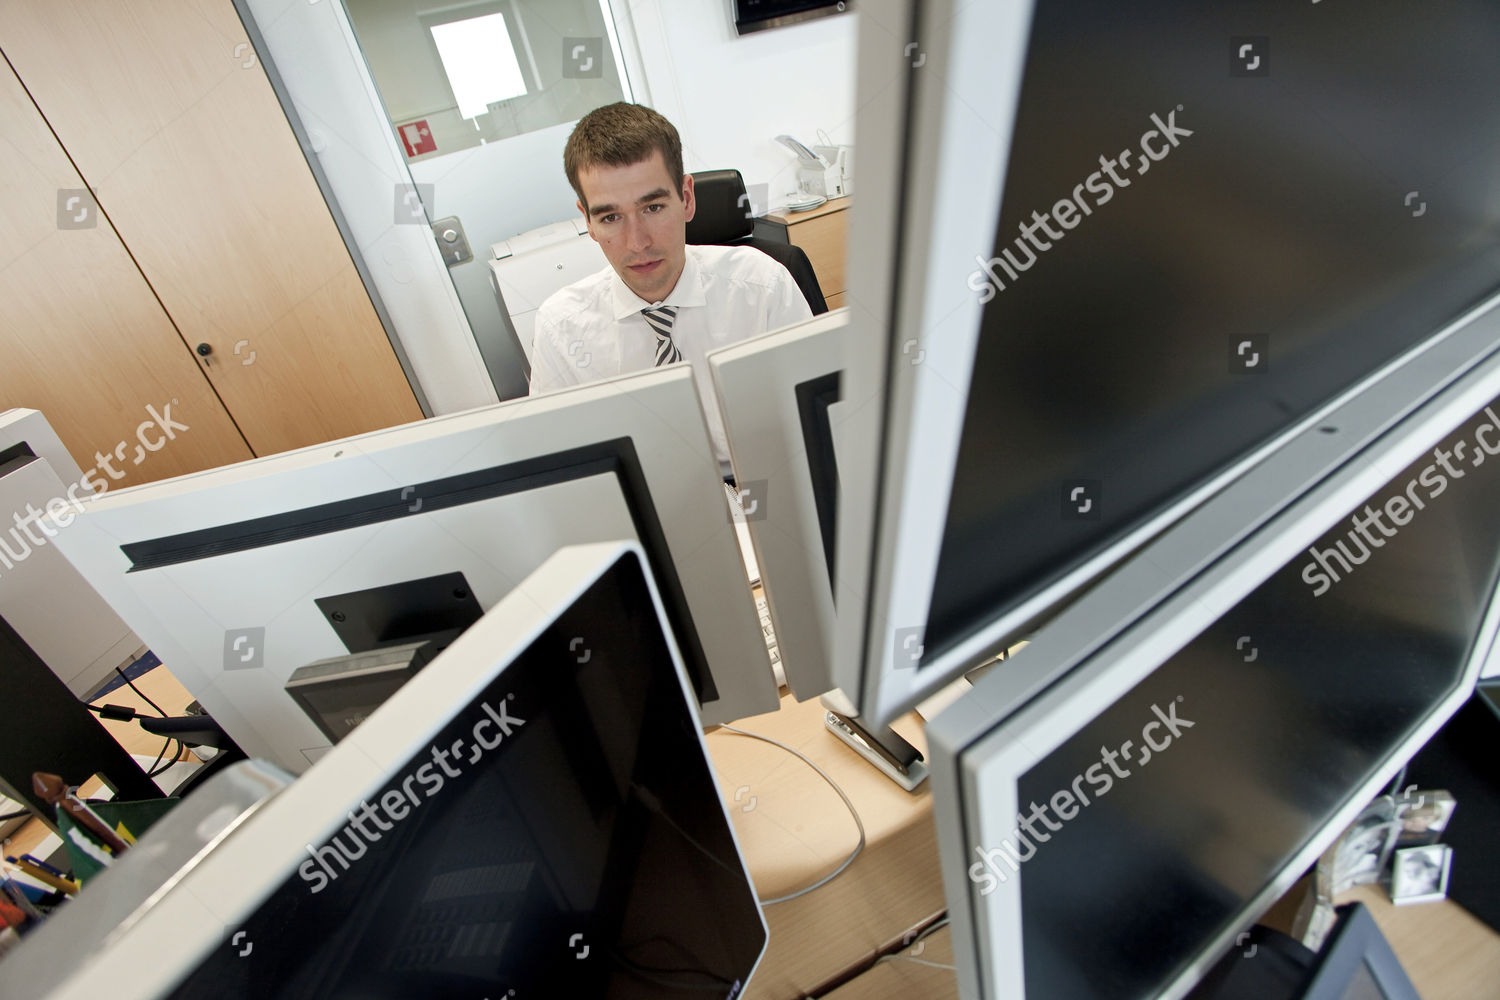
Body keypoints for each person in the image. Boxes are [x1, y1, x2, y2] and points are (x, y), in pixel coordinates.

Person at [528, 103, 813, 473]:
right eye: (611, 217)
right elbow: (560, 469)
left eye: (653, 207)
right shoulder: (560, 328)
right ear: (589, 222)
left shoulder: (761, 287)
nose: (637, 242)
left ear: (687, 198)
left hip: (764, 483)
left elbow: (820, 422)